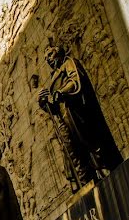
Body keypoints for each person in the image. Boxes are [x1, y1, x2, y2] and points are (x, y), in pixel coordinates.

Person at [38, 45, 122, 187]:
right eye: (46, 59)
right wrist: (44, 102)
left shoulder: (69, 63)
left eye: (50, 56)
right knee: (76, 152)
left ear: (58, 53)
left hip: (77, 113)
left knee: (91, 142)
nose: (48, 60)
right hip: (65, 119)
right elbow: (54, 108)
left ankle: (106, 170)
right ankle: (87, 183)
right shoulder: (53, 78)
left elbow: (75, 80)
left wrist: (61, 92)